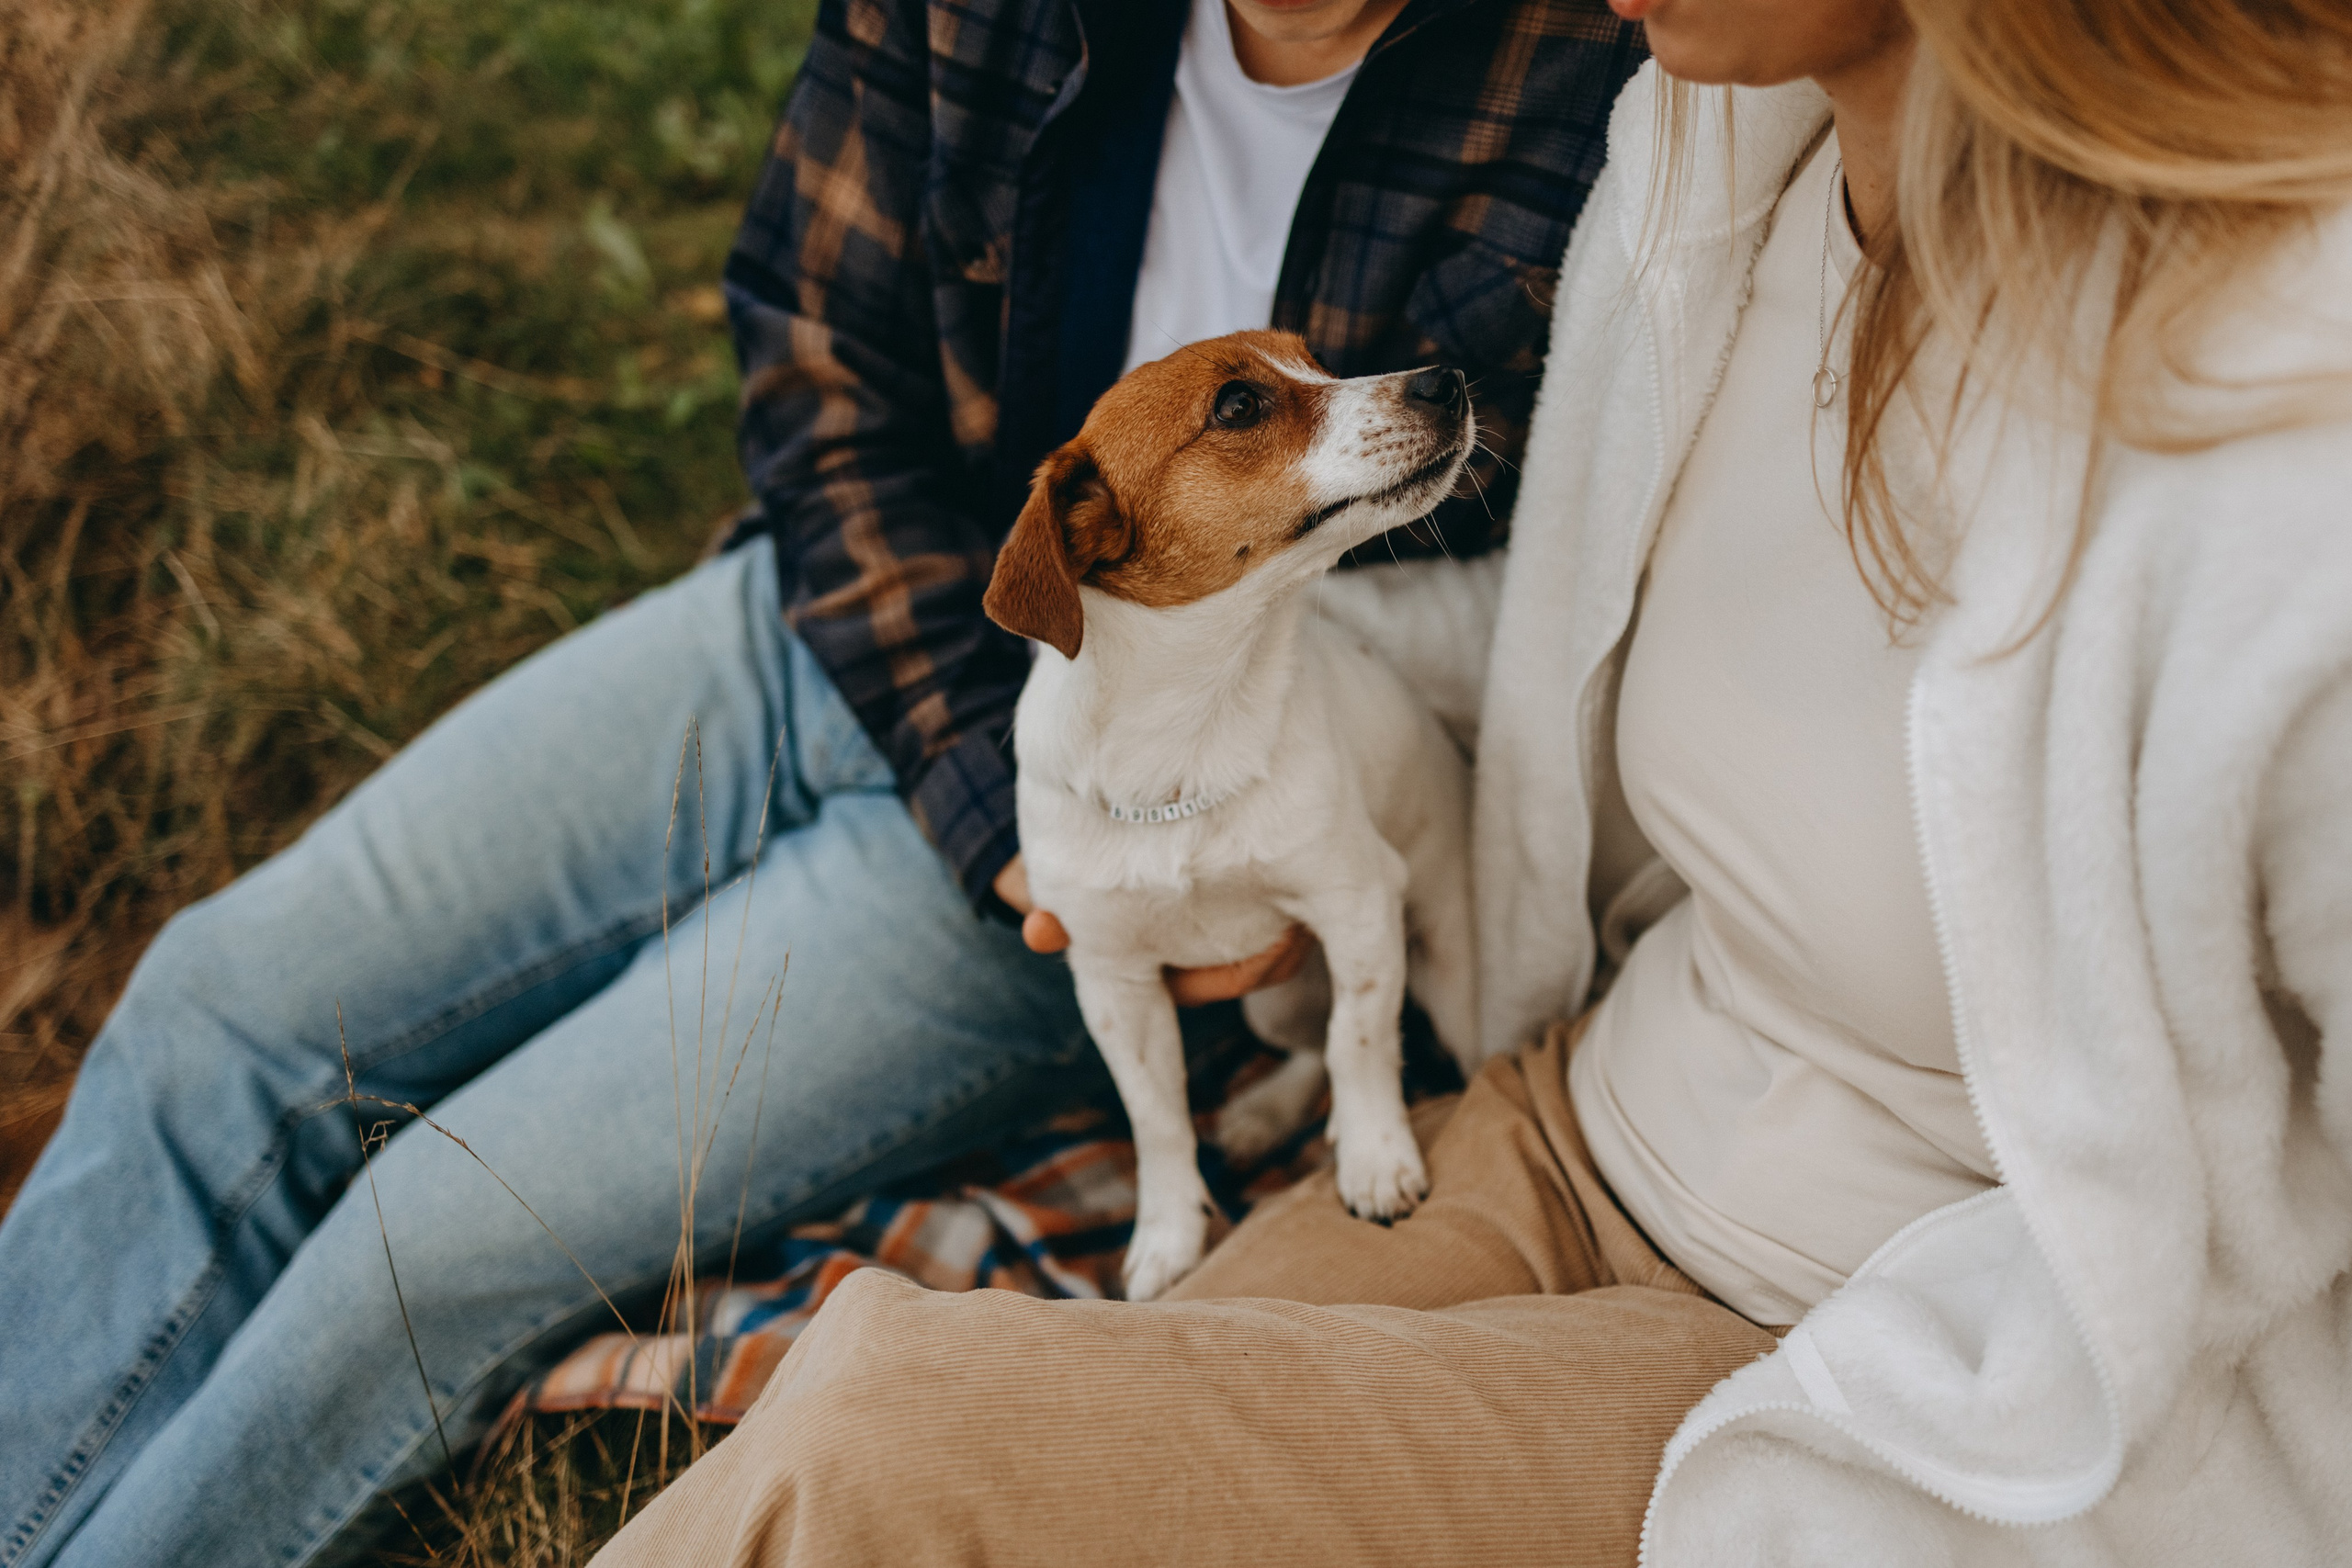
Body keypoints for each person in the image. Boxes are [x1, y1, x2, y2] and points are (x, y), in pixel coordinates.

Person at [578, 0, 2352, 1563]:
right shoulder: (1718, 161)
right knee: (978, 1420)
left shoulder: (2282, 455)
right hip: (1554, 1119)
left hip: (1872, 1339)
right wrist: (1191, 746)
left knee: (891, 1426)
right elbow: (1566, 623)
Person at [0, 3, 1645, 1565]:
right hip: (833, 631)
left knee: (418, 1251)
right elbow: (815, 361)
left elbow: (1549, 554)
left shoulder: (1601, 57)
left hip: (1137, 824)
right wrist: (977, 782)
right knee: (213, 1006)